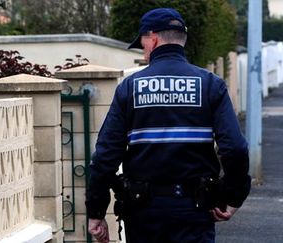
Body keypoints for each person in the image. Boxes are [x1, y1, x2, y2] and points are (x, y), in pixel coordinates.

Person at [85, 8, 251, 243]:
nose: (143, 53)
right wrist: (233, 196)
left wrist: (96, 212)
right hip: (194, 211)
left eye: (142, 44)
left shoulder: (129, 88)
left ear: (153, 39)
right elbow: (234, 148)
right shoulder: (210, 85)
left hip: (143, 213)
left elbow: (105, 157)